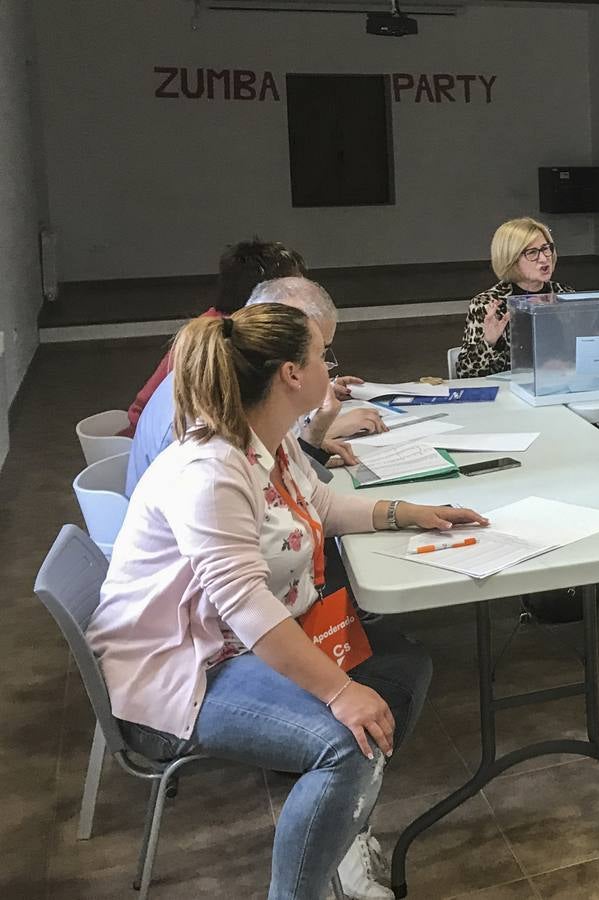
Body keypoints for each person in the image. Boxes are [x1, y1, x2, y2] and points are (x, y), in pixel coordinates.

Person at [87, 303, 490, 899]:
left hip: (234, 644)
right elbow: (246, 606)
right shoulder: (211, 469)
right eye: (322, 355)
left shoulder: (268, 441)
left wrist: (408, 512)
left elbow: (321, 507)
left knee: (402, 665)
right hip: (184, 668)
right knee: (345, 743)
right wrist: (338, 691)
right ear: (291, 375)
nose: (331, 365)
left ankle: (344, 824)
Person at [125, 277, 387, 495]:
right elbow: (288, 504)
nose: (327, 365)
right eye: (320, 353)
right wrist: (315, 432)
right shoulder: (211, 453)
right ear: (288, 367)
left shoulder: (224, 381)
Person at [121, 239, 307, 436]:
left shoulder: (219, 324)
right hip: (157, 447)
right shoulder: (223, 343)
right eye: (295, 292)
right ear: (264, 297)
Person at [455, 217, 572, 378]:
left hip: (561, 383)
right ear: (511, 259)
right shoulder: (488, 304)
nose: (544, 258)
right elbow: (466, 373)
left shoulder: (564, 294)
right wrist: (489, 342)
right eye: (532, 253)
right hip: (510, 391)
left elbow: (577, 350)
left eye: (546, 248)